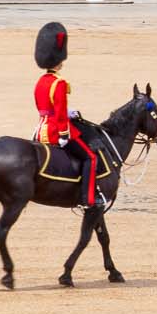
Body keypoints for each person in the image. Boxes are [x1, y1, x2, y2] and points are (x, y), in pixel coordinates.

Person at [33, 20, 103, 210]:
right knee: (91, 157)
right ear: (59, 60)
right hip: (56, 129)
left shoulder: (41, 81)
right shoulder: (59, 82)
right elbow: (60, 114)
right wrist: (64, 135)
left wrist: (69, 112)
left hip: (40, 130)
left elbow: (45, 107)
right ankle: (88, 198)